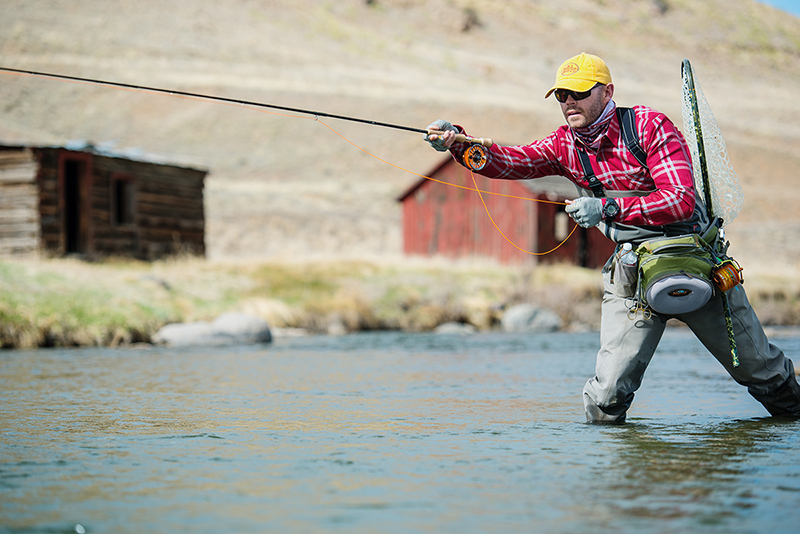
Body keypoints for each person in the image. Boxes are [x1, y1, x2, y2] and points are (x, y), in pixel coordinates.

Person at [425, 52, 800, 422]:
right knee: (606, 400)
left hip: (696, 262)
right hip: (632, 274)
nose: (569, 101)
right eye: (561, 95)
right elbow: (511, 160)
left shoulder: (650, 126)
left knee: (764, 374)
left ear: (607, 91)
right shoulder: (563, 144)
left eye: (579, 92)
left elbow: (681, 201)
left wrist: (606, 209)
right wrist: (458, 143)